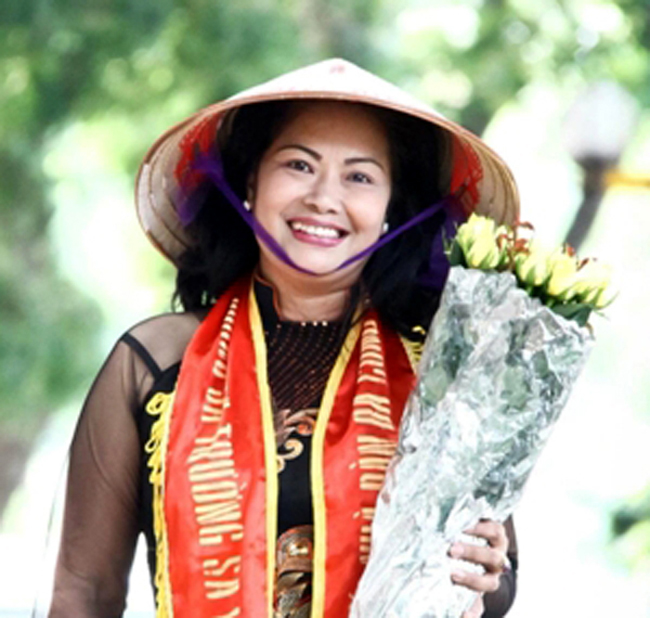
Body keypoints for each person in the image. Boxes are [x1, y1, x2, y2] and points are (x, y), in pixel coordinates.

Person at [49, 59, 520, 618]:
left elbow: (498, 588)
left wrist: (483, 573)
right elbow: (84, 592)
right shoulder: (152, 363)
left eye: (359, 177)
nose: (323, 197)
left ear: (391, 210)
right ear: (251, 181)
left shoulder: (438, 373)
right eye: (299, 165)